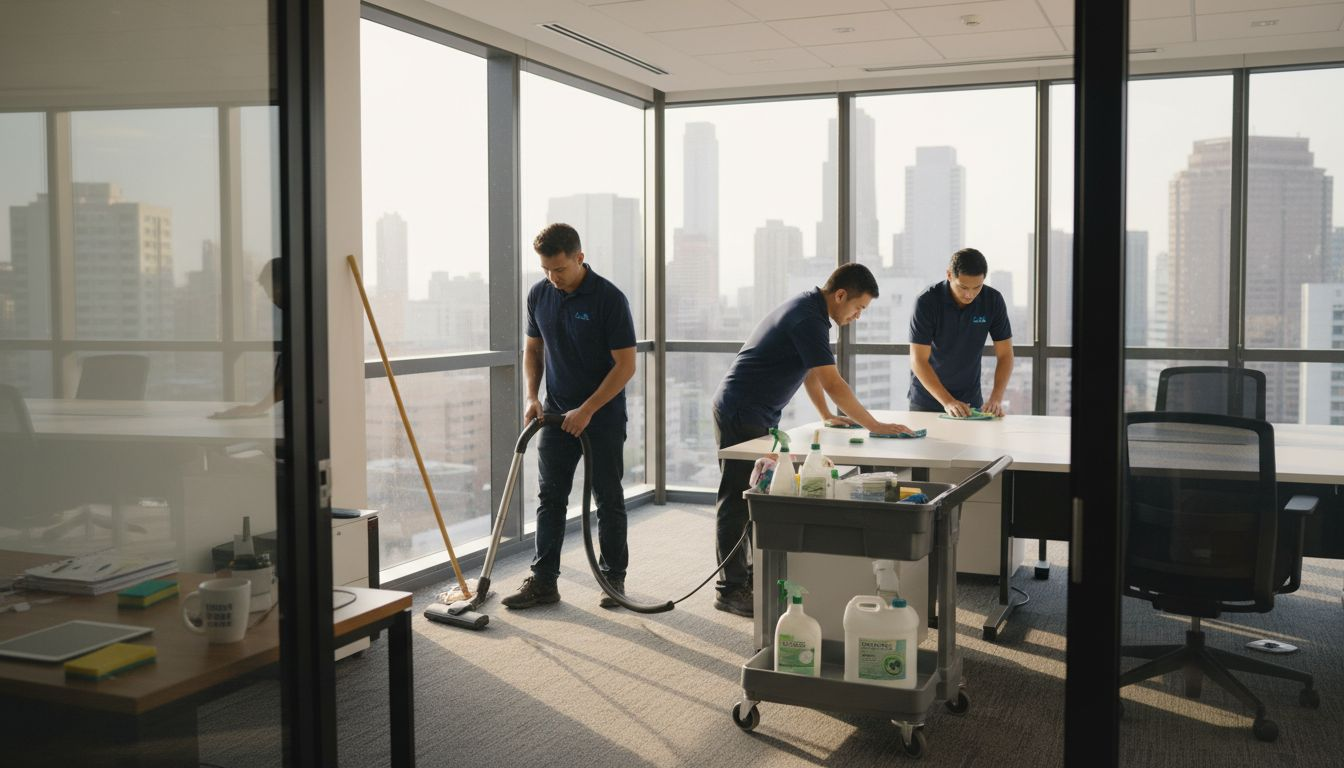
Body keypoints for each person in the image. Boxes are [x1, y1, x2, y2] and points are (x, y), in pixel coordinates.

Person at [710, 263, 913, 617]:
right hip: (741, 410)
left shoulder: (812, 312)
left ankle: (751, 578)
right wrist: (874, 425)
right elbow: (834, 383)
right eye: (859, 307)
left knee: (758, 493)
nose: (858, 316)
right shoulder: (808, 318)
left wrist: (825, 415)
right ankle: (730, 589)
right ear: (840, 295)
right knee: (738, 499)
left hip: (756, 412)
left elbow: (810, 372)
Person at [503, 223, 637, 610]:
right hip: (556, 415)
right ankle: (544, 581)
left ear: (580, 257)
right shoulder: (539, 294)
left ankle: (614, 578)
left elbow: (625, 366)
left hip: (603, 416)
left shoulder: (609, 299)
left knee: (608, 498)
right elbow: (533, 350)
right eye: (546, 269)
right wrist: (532, 396)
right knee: (551, 498)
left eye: (559, 270)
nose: (552, 278)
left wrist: (589, 409)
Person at [908, 248, 1013, 417]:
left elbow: (1005, 354)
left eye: (976, 287)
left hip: (970, 401)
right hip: (927, 401)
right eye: (963, 287)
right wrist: (948, 401)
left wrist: (996, 398)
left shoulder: (993, 300)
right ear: (949, 275)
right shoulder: (927, 301)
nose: (969, 294)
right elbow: (918, 360)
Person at [212, 258, 284, 419]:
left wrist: (258, 408)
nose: (272, 298)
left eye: (273, 291)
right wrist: (259, 408)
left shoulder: (303, 318)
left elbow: (289, 373)